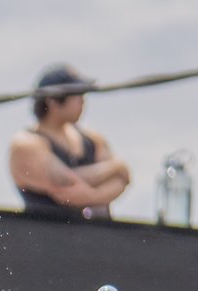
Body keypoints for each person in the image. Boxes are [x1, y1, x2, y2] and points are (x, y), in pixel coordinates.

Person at [9, 64, 128, 221]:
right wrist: (114, 167)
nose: (82, 101)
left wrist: (90, 194)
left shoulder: (92, 138)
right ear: (52, 100)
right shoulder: (26, 144)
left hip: (100, 239)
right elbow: (66, 189)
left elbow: (123, 178)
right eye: (77, 94)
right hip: (50, 239)